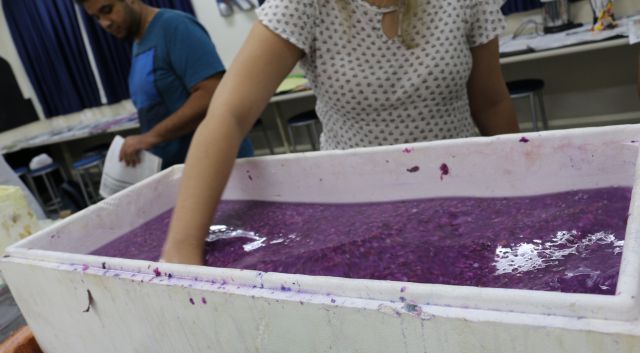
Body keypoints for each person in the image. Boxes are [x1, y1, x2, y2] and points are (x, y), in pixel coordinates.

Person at [161, 0, 519, 264]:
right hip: (356, 213)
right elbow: (229, 115)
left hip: (460, 201)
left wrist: (520, 195)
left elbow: (491, 104)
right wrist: (182, 246)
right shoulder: (304, 5)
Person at [78, 0, 254, 169]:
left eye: (107, 10)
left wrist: (151, 137)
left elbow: (211, 91)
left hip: (216, 165)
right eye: (96, 17)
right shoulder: (139, 43)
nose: (105, 23)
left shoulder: (175, 26)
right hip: (183, 168)